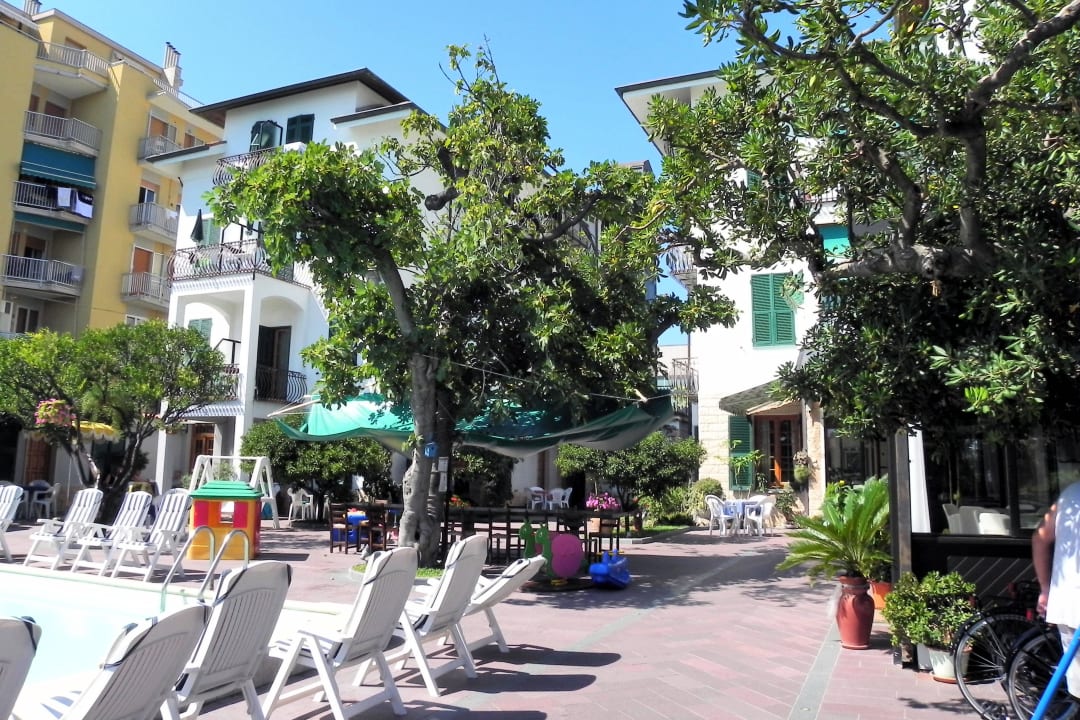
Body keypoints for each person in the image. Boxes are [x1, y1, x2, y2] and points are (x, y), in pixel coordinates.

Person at [1032, 481, 1080, 697]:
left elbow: (1039, 538)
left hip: (1067, 603)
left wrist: (1045, 589)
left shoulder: (1071, 493)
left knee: (1078, 689)